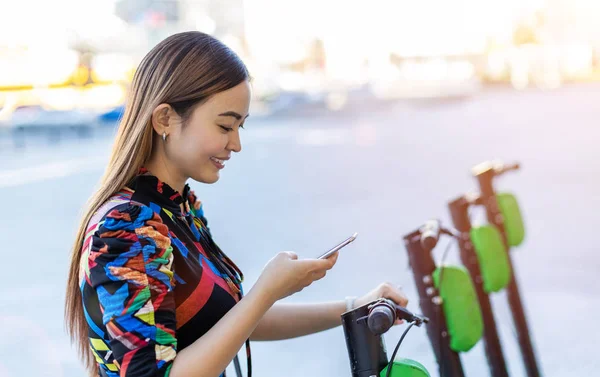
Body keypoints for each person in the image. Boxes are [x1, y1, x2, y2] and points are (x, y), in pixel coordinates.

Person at [64, 31, 408, 377]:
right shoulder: (128, 227)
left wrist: (355, 307)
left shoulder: (178, 208)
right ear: (165, 119)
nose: (236, 144)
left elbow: (228, 322)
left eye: (240, 126)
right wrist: (265, 291)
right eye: (225, 126)